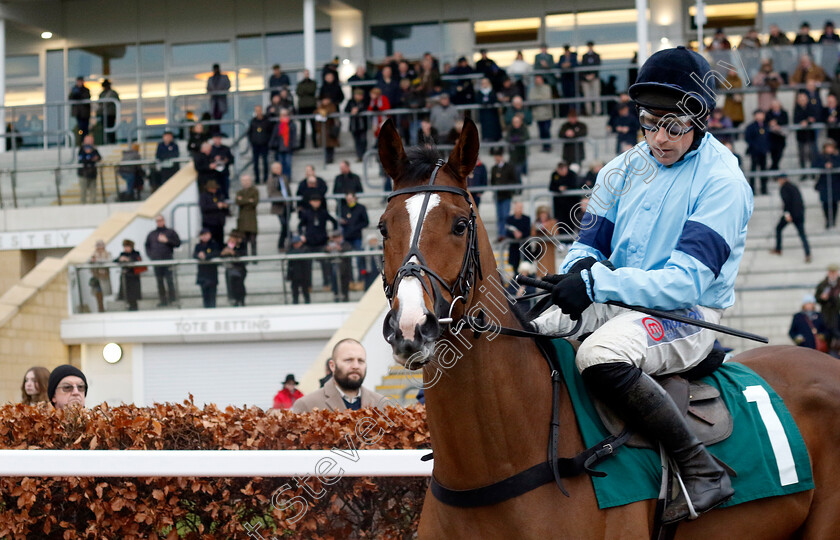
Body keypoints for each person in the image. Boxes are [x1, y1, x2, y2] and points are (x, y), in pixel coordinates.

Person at [532, 47, 751, 521]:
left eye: (673, 126)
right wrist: (575, 274)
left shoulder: (722, 182)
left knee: (598, 354)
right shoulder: (621, 170)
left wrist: (595, 285)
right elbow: (588, 247)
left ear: (700, 118)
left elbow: (682, 283)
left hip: (687, 313)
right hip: (616, 296)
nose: (659, 138)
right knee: (532, 322)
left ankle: (702, 469)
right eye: (650, 123)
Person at [291, 338, 384, 412]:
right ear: (332, 366)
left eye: (361, 361)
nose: (356, 366)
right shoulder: (307, 405)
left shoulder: (383, 404)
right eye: (348, 360)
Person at [299, 193, 337, 288]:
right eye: (314, 201)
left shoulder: (323, 212)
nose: (316, 203)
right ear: (310, 202)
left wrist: (332, 236)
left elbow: (334, 222)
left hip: (322, 242)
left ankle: (326, 284)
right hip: (309, 242)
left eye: (318, 201)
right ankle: (308, 285)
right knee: (307, 265)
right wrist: (302, 236)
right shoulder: (306, 213)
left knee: (325, 265)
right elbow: (300, 226)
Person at [770, 174, 811, 262]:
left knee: (778, 229)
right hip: (799, 214)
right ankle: (808, 254)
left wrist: (787, 214)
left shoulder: (784, 189)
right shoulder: (794, 187)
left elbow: (787, 202)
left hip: (791, 214)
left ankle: (778, 249)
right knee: (802, 234)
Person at [145, 214, 181, 307]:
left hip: (168, 260)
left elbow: (177, 243)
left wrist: (167, 240)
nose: (159, 222)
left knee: (170, 280)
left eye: (161, 220)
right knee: (159, 281)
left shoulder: (170, 232)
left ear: (164, 221)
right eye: (157, 221)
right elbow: (147, 246)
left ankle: (172, 299)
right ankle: (163, 300)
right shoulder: (152, 234)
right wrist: (151, 256)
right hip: (157, 261)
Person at [339, 192, 369, 288]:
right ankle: (350, 281)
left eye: (351, 199)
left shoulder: (361, 208)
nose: (349, 201)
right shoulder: (343, 208)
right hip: (347, 238)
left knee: (359, 259)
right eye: (348, 199)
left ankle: (361, 279)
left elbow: (366, 222)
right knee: (347, 260)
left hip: (357, 237)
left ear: (355, 198)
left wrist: (355, 227)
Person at [490, 149, 520, 240]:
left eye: (497, 156)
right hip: (498, 195)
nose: (496, 158)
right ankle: (501, 234)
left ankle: (506, 233)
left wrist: (506, 186)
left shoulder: (509, 167)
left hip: (506, 195)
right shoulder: (494, 168)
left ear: (501, 157)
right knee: (499, 216)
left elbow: (514, 180)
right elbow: (492, 181)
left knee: (505, 215)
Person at [744, 109, 771, 194]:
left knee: (764, 171)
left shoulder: (766, 126)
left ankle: (764, 189)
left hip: (763, 152)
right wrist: (755, 146)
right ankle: (752, 189)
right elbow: (748, 138)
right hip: (754, 152)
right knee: (753, 170)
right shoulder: (751, 127)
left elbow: (768, 138)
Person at [814, 140, 840, 228]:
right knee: (825, 203)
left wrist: (833, 165)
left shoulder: (836, 156)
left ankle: (833, 221)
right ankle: (828, 220)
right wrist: (824, 165)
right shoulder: (821, 157)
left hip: (835, 184)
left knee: (834, 203)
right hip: (824, 184)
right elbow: (814, 164)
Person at [267, 162, 292, 251]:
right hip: (279, 207)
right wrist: (282, 200)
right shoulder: (271, 179)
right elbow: (271, 193)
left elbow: (288, 190)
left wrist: (290, 202)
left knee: (287, 225)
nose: (279, 170)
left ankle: (289, 243)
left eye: (280, 168)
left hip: (287, 206)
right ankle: (282, 244)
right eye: (276, 168)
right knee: (285, 225)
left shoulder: (284, 177)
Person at [794, 91, 820, 176]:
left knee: (812, 154)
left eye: (804, 99)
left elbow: (814, 118)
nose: (802, 101)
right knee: (802, 155)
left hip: (810, 135)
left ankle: (813, 172)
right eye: (800, 99)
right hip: (801, 136)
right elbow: (796, 120)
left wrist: (807, 121)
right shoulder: (796, 109)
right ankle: (803, 173)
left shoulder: (811, 108)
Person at [194, 228, 221, 308]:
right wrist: (199, 255)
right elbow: (194, 254)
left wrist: (206, 256)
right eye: (202, 235)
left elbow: (217, 253)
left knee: (212, 295)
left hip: (212, 274)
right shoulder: (198, 246)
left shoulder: (214, 245)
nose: (204, 237)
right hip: (202, 274)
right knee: (205, 295)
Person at [549, 161, 579, 230]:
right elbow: (551, 187)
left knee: (572, 224)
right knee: (561, 225)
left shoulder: (572, 174)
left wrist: (566, 188)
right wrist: (559, 189)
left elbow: (575, 186)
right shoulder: (555, 175)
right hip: (559, 206)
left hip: (571, 205)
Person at [221, 230, 248, 306]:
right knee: (231, 285)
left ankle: (240, 300)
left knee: (239, 285)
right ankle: (233, 300)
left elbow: (242, 255)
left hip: (240, 269)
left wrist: (234, 252)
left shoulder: (242, 245)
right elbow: (221, 254)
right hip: (230, 269)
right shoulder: (228, 245)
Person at [235, 174, 259, 256]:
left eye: (247, 180)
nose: (245, 182)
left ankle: (254, 257)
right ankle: (245, 257)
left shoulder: (254, 191)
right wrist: (249, 200)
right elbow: (238, 202)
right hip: (242, 220)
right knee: (243, 241)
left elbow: (254, 202)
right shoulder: (239, 192)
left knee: (253, 240)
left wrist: (243, 200)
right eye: (244, 181)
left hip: (251, 219)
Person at [505, 201, 531, 277]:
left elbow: (528, 231)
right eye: (517, 207)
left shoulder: (526, 218)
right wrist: (514, 234)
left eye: (520, 207)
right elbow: (507, 232)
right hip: (514, 248)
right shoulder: (509, 219)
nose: (519, 209)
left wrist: (521, 234)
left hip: (525, 247)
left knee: (527, 267)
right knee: (515, 269)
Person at [268, 108, 296, 179]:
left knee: (288, 164)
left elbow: (293, 137)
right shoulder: (277, 125)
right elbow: (274, 136)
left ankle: (288, 178)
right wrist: (273, 145)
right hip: (279, 148)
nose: (283, 116)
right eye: (282, 115)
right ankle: (282, 178)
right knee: (281, 165)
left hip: (288, 148)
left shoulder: (291, 125)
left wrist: (293, 146)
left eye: (285, 115)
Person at [115, 239, 143, 311]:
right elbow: (115, 260)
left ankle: (134, 306)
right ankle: (128, 305)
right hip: (125, 276)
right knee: (126, 292)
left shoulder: (136, 253)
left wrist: (128, 259)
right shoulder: (122, 254)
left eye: (128, 247)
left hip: (133, 276)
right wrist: (120, 259)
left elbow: (137, 260)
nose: (126, 248)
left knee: (133, 292)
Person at [247, 105, 272, 184]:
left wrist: (267, 141)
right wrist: (252, 141)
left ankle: (265, 178)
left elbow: (270, 132)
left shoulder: (266, 121)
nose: (258, 112)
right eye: (256, 110)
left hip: (264, 145)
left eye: (259, 110)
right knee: (256, 163)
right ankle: (257, 179)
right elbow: (250, 132)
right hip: (255, 145)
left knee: (265, 162)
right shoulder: (253, 121)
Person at [199, 180, 229, 246]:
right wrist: (216, 206)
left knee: (220, 241)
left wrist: (225, 206)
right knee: (209, 241)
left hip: (219, 223)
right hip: (209, 223)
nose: (214, 190)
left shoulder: (220, 195)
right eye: (212, 188)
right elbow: (204, 208)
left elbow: (226, 210)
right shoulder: (204, 196)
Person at [326, 230, 352, 302]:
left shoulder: (345, 244)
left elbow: (348, 249)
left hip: (344, 270)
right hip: (333, 269)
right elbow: (324, 250)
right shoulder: (330, 244)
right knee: (335, 286)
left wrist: (340, 249)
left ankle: (345, 300)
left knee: (344, 287)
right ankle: (336, 299)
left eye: (337, 237)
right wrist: (327, 249)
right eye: (334, 237)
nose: (336, 239)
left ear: (341, 237)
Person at [296, 69, 318, 149]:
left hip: (311, 106)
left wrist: (304, 90)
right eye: (305, 73)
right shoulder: (300, 83)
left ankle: (315, 143)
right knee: (303, 127)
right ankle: (302, 144)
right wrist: (306, 90)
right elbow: (298, 92)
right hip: (302, 107)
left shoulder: (313, 83)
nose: (306, 75)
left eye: (308, 73)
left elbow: (311, 90)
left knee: (313, 126)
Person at [530, 74, 553, 152]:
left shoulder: (547, 88)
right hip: (538, 115)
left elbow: (547, 98)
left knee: (547, 131)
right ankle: (544, 147)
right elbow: (531, 99)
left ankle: (548, 146)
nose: (537, 81)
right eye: (536, 80)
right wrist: (540, 99)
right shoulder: (532, 89)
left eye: (539, 79)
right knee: (541, 132)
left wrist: (537, 99)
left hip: (547, 114)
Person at [345, 88, 369, 161]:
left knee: (363, 141)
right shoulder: (351, 102)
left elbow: (367, 108)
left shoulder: (364, 102)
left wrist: (358, 110)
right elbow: (346, 109)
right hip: (354, 125)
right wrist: (352, 110)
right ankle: (359, 156)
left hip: (362, 125)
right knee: (357, 141)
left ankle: (364, 155)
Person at [206, 64, 231, 134]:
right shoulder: (210, 79)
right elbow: (208, 89)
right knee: (215, 118)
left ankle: (218, 132)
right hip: (214, 102)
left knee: (219, 118)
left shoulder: (224, 77)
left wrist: (220, 91)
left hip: (221, 101)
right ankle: (216, 132)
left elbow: (228, 86)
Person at [89, 239, 112, 312]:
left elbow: (109, 261)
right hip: (96, 276)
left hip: (104, 276)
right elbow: (89, 261)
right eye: (98, 246)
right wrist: (92, 260)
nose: (99, 247)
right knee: (97, 292)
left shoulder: (107, 253)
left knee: (104, 292)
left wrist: (98, 260)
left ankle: (103, 307)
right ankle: (100, 307)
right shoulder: (93, 254)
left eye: (101, 246)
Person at [475, 78, 502, 142]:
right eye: (483, 83)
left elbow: (494, 100)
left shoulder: (492, 91)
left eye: (486, 83)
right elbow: (478, 100)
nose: (484, 84)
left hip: (492, 113)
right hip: (484, 114)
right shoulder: (479, 92)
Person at [288, 234, 312, 304]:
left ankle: (308, 304)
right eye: (294, 243)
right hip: (294, 275)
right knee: (295, 292)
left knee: (305, 292)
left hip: (304, 274)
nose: (295, 245)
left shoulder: (306, 249)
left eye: (297, 243)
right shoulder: (291, 250)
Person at [315, 97, 339, 164]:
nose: (324, 101)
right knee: (325, 145)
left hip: (330, 128)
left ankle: (330, 158)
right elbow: (316, 112)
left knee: (331, 145)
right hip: (323, 129)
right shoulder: (320, 106)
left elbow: (330, 112)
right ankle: (327, 158)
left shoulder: (332, 106)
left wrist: (324, 112)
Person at [580, 41, 602, 116]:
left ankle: (597, 112)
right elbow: (582, 67)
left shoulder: (596, 56)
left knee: (596, 95)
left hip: (595, 78)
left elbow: (597, 66)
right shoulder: (584, 56)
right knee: (587, 96)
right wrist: (586, 76)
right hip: (586, 79)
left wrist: (593, 75)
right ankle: (589, 112)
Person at [77, 135, 101, 204]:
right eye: (89, 140)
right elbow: (83, 159)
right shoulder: (82, 149)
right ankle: (83, 205)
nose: (91, 142)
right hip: (83, 173)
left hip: (92, 173)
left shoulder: (94, 149)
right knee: (83, 192)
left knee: (93, 191)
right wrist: (91, 157)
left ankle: (92, 205)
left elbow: (98, 157)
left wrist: (92, 157)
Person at [209, 133, 234, 199]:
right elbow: (207, 160)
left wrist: (225, 160)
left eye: (219, 138)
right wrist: (214, 160)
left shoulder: (226, 148)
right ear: (213, 139)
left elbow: (231, 160)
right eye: (216, 138)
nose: (218, 140)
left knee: (225, 191)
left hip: (224, 173)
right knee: (215, 192)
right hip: (214, 174)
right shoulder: (210, 149)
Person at [766, 100, 789, 170]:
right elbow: (766, 123)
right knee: (773, 155)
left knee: (779, 154)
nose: (775, 107)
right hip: (772, 138)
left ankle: (774, 167)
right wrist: (771, 124)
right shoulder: (768, 114)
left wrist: (777, 123)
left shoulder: (784, 113)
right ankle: (775, 168)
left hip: (781, 138)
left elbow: (786, 122)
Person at [98, 79, 120, 144]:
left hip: (110, 114)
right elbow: (99, 103)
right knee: (104, 128)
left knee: (111, 128)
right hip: (103, 114)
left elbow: (117, 102)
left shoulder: (113, 93)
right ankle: (106, 141)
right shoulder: (102, 94)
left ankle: (112, 141)